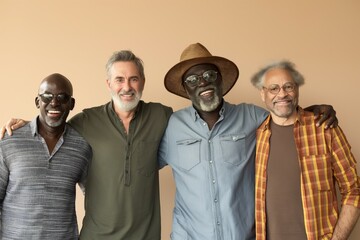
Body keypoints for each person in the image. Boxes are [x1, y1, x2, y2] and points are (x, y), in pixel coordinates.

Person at [158, 43, 338, 240]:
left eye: (209, 75)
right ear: (185, 88)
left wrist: (315, 110)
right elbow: (142, 167)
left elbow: (285, 118)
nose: (202, 83)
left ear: (220, 80)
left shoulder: (251, 117)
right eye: (192, 79)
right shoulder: (172, 126)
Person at [0, 51, 173, 239]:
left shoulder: (162, 116)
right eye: (119, 80)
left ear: (143, 81)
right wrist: (27, 126)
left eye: (133, 79)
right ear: (109, 84)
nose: (127, 87)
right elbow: (53, 121)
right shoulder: (86, 121)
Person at [251, 60, 360, 240]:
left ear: (297, 89)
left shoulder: (325, 128)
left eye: (288, 86)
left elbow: (354, 190)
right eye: (273, 88)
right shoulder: (256, 136)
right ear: (263, 94)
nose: (282, 94)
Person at [0, 73, 92, 239]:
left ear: (71, 104)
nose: (54, 102)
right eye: (47, 96)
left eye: (62, 97)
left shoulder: (82, 146)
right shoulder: (10, 140)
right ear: (37, 102)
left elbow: (96, 199)